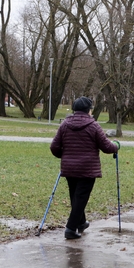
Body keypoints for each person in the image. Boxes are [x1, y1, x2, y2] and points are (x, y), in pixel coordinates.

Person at [50, 96, 119, 239]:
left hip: (69, 168)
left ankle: (81, 223)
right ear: (89, 110)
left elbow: (54, 146)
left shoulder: (65, 125)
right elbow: (106, 146)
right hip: (87, 169)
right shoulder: (93, 126)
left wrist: (65, 156)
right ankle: (70, 228)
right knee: (80, 198)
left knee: (76, 196)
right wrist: (116, 146)